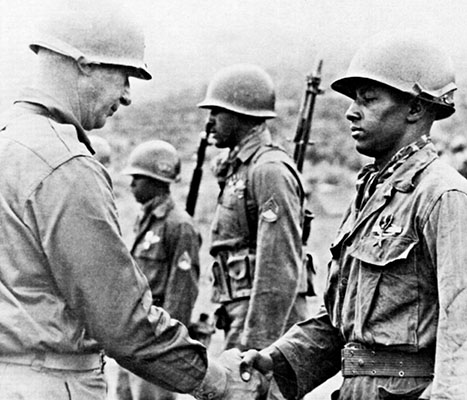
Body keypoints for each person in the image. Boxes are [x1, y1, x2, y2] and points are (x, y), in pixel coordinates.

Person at [0, 2, 267, 399]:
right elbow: (122, 322)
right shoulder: (66, 163)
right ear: (84, 63)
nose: (126, 97)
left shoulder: (10, 142)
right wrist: (219, 380)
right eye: (125, 76)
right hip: (50, 382)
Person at [241, 31, 467, 400]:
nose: (351, 111)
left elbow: (462, 326)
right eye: (354, 99)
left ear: (414, 109)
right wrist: (277, 362)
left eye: (369, 99)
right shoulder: (373, 194)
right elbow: (341, 324)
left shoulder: (443, 195)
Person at [198, 64, 313, 399]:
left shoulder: (268, 170)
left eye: (217, 112)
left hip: (263, 327)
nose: (210, 123)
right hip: (240, 314)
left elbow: (279, 267)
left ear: (240, 114)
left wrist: (254, 347)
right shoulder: (240, 170)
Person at [116, 140, 201, 400]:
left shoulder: (179, 225)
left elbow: (183, 291)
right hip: (134, 337)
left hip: (156, 341)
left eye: (137, 179)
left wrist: (168, 346)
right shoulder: (146, 220)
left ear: (156, 180)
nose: (131, 185)